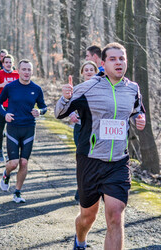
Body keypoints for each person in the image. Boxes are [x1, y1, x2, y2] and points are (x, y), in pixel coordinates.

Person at [55, 42, 146, 250]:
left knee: (115, 215)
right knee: (88, 216)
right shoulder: (88, 87)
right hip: (90, 161)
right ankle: (80, 240)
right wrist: (65, 97)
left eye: (121, 59)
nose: (118, 63)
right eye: (113, 59)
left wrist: (141, 119)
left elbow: (137, 111)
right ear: (103, 64)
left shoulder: (132, 89)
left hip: (118, 162)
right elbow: (59, 113)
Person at [0, 59, 47, 203]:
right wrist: (4, 114)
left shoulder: (36, 89)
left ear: (32, 71)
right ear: (18, 71)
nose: (26, 72)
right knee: (13, 163)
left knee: (24, 163)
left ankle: (17, 192)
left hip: (29, 128)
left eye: (29, 69)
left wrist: (40, 111)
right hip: (13, 127)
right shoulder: (10, 87)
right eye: (24, 69)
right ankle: (6, 174)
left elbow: (44, 107)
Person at [69, 61, 99, 201]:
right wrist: (72, 115)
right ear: (82, 73)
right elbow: (68, 107)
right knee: (83, 158)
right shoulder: (77, 89)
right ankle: (80, 189)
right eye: (86, 70)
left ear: (96, 71)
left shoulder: (101, 88)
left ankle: (93, 188)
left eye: (91, 69)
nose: (88, 72)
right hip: (80, 128)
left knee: (95, 158)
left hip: (97, 129)